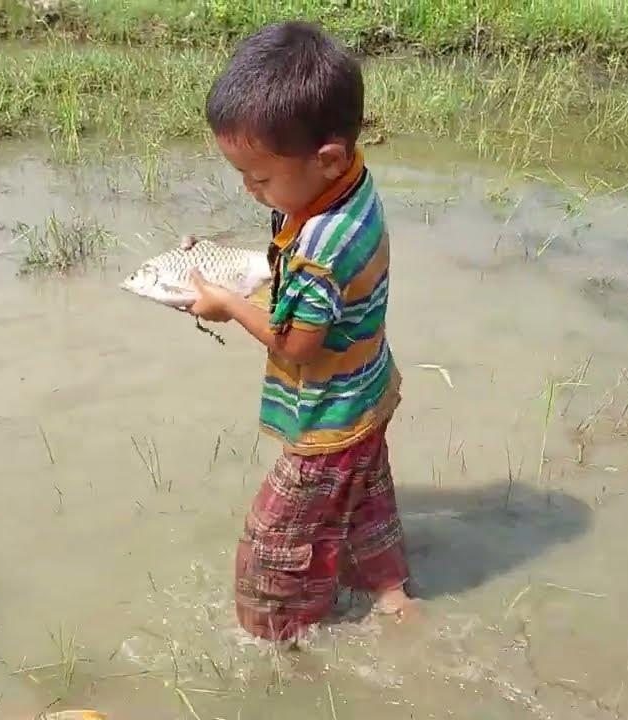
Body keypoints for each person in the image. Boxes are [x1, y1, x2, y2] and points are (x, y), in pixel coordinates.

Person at [184, 20, 414, 643]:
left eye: (260, 179)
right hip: (368, 391)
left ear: (327, 158)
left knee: (271, 550)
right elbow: (317, 284)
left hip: (326, 419)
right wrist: (237, 271)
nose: (250, 190)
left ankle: (277, 645)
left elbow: (297, 344)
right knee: (366, 497)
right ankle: (392, 595)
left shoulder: (316, 247)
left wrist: (229, 305)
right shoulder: (353, 187)